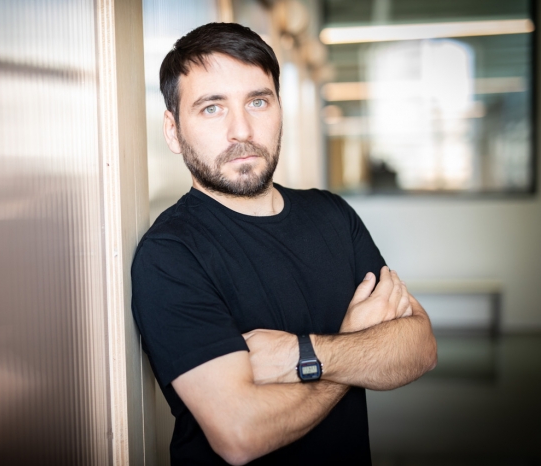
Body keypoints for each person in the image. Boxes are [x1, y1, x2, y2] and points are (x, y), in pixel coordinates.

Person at [131, 22, 437, 466]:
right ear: (173, 131)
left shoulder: (333, 216)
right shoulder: (170, 254)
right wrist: (350, 352)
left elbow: (420, 347)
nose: (241, 130)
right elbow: (240, 435)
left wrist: (301, 355)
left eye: (258, 101)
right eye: (212, 108)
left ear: (279, 109)